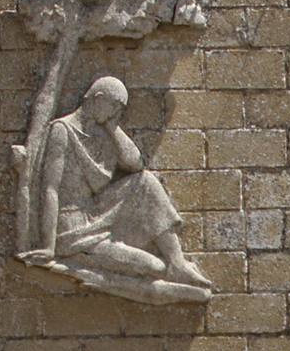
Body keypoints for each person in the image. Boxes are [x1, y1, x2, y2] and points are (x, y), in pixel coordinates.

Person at [31, 75, 211, 289]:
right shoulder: (62, 130)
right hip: (72, 232)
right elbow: (50, 189)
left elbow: (135, 164)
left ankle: (177, 262)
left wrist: (113, 128)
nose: (116, 114)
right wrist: (49, 247)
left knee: (145, 181)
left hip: (95, 216)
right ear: (97, 98)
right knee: (155, 268)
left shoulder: (101, 133)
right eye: (114, 106)